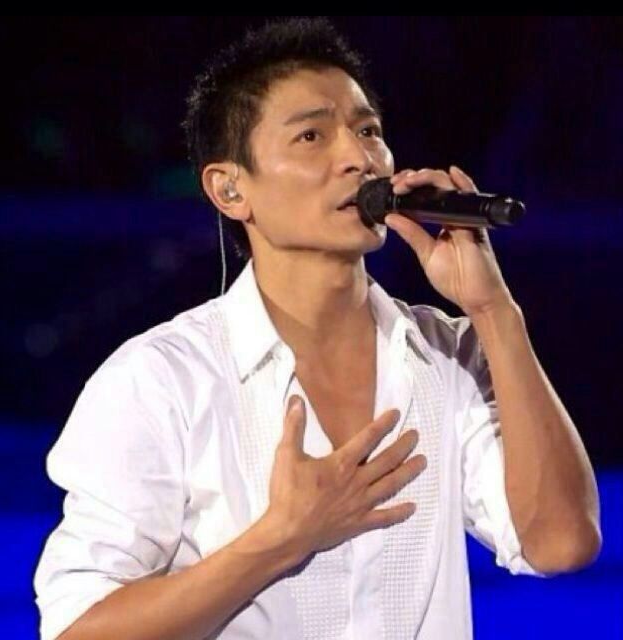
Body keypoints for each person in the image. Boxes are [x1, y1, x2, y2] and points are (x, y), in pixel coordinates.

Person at [33, 16, 601, 640]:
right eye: (311, 136)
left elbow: (561, 543)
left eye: (368, 131)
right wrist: (281, 538)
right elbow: (79, 630)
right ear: (230, 190)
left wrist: (495, 312)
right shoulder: (160, 379)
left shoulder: (451, 353)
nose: (358, 158)